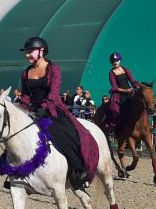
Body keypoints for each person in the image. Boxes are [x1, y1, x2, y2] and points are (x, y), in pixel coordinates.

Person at [17, 36, 97, 190]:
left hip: (52, 109)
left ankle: (78, 170)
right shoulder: (25, 73)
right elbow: (26, 96)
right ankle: (15, 173)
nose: (27, 55)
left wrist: (44, 107)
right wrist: (21, 110)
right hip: (33, 111)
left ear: (41, 51)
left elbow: (54, 93)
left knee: (67, 134)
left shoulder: (53, 69)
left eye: (30, 52)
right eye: (26, 52)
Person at [107, 52, 139, 131]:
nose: (115, 62)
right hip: (118, 94)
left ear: (120, 60)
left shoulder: (125, 69)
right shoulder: (111, 73)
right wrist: (126, 90)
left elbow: (132, 80)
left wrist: (137, 86)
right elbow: (115, 87)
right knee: (114, 108)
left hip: (129, 92)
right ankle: (115, 126)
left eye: (116, 60)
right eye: (113, 61)